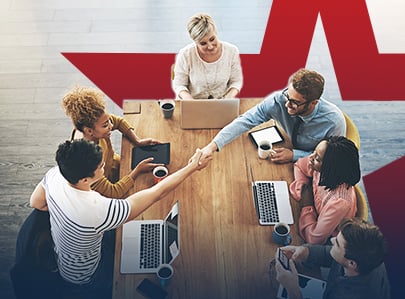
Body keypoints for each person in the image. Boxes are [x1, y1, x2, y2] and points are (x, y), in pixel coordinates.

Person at [29, 139, 210, 298]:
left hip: (64, 259)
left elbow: (36, 203)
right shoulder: (96, 209)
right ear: (84, 179)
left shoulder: (56, 174)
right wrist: (192, 167)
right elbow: (157, 193)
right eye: (100, 167)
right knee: (131, 281)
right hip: (88, 276)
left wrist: (62, 211)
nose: (104, 168)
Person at [200, 68, 346, 164]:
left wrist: (294, 155)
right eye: (287, 96)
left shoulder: (333, 122)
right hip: (286, 152)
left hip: (311, 166)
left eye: (295, 102)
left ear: (313, 103)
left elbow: (333, 159)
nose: (287, 105)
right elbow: (245, 120)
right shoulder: (280, 100)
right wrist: (213, 146)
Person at [62, 85, 163, 198]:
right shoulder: (86, 161)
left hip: (117, 166)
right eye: (105, 125)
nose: (111, 126)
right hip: (107, 191)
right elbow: (113, 192)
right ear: (89, 131)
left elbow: (118, 122)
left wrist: (137, 141)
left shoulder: (96, 126)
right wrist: (137, 171)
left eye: (108, 121)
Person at [274, 217, 391, 299]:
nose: (332, 240)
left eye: (338, 244)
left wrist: (293, 291)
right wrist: (305, 251)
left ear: (351, 264)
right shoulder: (363, 256)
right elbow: (330, 254)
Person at [290, 136, 361, 244]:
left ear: (331, 168)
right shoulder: (321, 168)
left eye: (317, 158)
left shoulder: (339, 202)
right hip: (312, 217)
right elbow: (299, 165)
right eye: (314, 152)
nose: (310, 157)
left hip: (330, 241)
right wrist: (302, 188)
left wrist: (307, 205)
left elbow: (314, 239)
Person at [172, 13, 243, 99]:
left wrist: (227, 99)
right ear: (195, 42)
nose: (210, 46)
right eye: (203, 43)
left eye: (212, 39)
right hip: (193, 103)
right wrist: (190, 101)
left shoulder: (232, 51)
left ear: (216, 32)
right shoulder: (185, 54)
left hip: (222, 104)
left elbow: (236, 81)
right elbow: (179, 85)